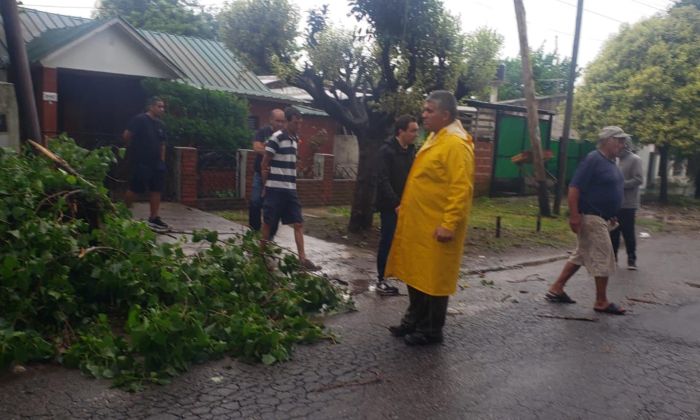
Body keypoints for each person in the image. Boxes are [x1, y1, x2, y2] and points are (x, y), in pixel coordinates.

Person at [384, 91, 475, 345]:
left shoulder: (456, 144)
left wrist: (449, 224)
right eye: (424, 110)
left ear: (445, 115)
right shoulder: (436, 137)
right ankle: (413, 321)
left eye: (429, 111)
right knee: (417, 274)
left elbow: (461, 188)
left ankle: (431, 330)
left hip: (437, 224)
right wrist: (406, 206)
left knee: (434, 278)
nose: (423, 115)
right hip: (420, 220)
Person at [546, 126, 629, 315]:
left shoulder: (611, 162)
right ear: (607, 140)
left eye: (623, 140)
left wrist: (612, 211)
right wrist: (574, 215)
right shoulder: (594, 159)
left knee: (581, 254)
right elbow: (574, 188)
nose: (622, 144)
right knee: (603, 257)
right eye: (619, 140)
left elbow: (607, 189)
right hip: (591, 217)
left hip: (603, 217)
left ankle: (556, 288)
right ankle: (601, 301)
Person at [260, 107, 319, 270]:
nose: (298, 125)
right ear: (287, 121)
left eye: (300, 122)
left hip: (290, 189)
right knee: (268, 223)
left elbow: (290, 163)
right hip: (275, 189)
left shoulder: (295, 139)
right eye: (295, 122)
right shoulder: (276, 138)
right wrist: (265, 186)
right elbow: (264, 163)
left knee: (298, 223)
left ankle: (303, 260)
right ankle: (259, 255)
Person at [374, 115, 419, 296]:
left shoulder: (411, 151)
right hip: (390, 206)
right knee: (388, 241)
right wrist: (395, 203)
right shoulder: (386, 151)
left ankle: (403, 275)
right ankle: (381, 280)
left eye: (416, 130)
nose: (416, 134)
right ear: (401, 131)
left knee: (406, 242)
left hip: (408, 205)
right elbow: (382, 179)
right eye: (413, 130)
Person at [124, 97, 168, 230]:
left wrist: (162, 161)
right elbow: (127, 135)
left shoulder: (161, 124)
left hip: (157, 163)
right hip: (141, 161)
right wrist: (133, 150)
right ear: (151, 107)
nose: (162, 109)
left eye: (163, 107)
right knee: (135, 188)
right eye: (159, 106)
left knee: (157, 189)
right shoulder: (140, 120)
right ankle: (123, 213)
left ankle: (154, 218)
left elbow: (162, 144)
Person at [249, 109, 286, 237]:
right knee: (255, 201)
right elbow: (256, 147)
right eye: (278, 121)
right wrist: (272, 152)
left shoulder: (285, 135)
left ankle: (270, 236)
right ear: (271, 120)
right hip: (260, 175)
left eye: (283, 121)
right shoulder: (263, 132)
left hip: (276, 176)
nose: (280, 124)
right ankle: (254, 230)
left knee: (273, 207)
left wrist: (267, 150)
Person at [610, 138, 644, 270]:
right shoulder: (615, 159)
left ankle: (631, 258)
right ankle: (613, 257)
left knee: (628, 232)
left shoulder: (635, 159)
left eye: (620, 145)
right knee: (613, 232)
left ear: (626, 146)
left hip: (628, 203)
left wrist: (621, 185)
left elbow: (639, 179)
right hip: (614, 203)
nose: (617, 148)